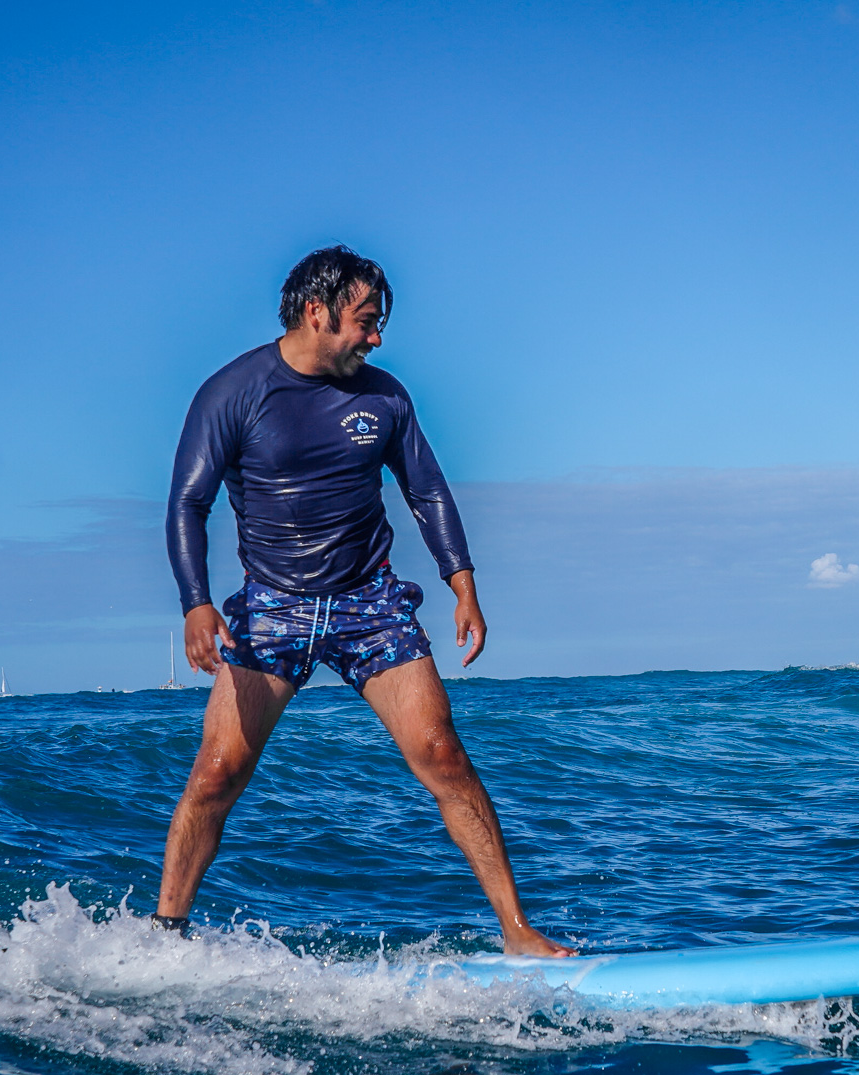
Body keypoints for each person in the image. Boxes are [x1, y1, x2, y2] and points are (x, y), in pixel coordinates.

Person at [154, 245, 571, 957]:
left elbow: (427, 490)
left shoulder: (385, 397)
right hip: (273, 605)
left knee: (443, 755)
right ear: (317, 313)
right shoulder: (233, 392)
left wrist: (463, 586)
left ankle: (516, 930)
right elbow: (187, 503)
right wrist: (196, 603)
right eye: (366, 321)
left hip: (369, 603)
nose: (377, 338)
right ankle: (165, 936)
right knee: (217, 772)